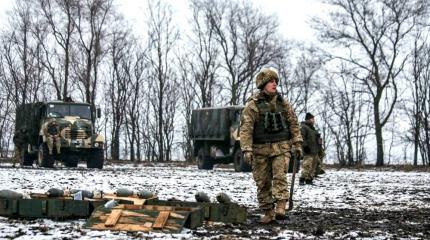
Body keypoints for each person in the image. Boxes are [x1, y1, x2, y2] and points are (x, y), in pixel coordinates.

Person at [240, 68, 302, 224]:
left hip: (281, 147)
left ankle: (281, 206)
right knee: (263, 182)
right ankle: (268, 212)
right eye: (271, 81)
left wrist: (297, 143)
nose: (274, 84)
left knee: (280, 176)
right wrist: (246, 149)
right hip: (260, 150)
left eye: (276, 81)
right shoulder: (252, 105)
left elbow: (293, 123)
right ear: (263, 84)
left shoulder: (283, 103)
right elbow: (246, 128)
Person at [299, 113, 323, 185]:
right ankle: (302, 179)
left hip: (315, 150)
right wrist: (305, 146)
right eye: (312, 119)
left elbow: (315, 139)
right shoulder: (304, 127)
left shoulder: (312, 128)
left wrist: (318, 137)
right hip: (308, 150)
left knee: (313, 166)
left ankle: (309, 180)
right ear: (308, 119)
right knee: (307, 165)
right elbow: (302, 138)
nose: (314, 120)